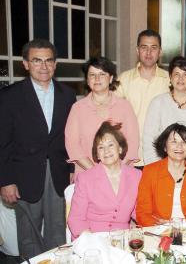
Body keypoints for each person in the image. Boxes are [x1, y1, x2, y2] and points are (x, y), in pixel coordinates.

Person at [0, 39, 76, 258]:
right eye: (37, 61)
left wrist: (72, 170)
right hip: (24, 176)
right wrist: (6, 180)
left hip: (59, 173)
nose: (43, 66)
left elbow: (69, 136)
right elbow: (3, 142)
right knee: (28, 235)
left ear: (55, 64)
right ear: (25, 64)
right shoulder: (9, 96)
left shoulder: (67, 95)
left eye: (48, 60)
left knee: (58, 231)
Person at [65, 57, 139, 176]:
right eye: (92, 75)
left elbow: (133, 143)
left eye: (102, 74)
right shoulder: (77, 108)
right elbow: (72, 145)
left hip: (122, 175)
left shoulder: (125, 106)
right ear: (87, 80)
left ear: (110, 78)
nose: (97, 79)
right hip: (87, 174)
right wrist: (97, 172)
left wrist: (116, 171)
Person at [68, 122, 142, 239]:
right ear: (97, 154)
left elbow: (140, 212)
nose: (106, 151)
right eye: (101, 147)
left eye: (111, 145)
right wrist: (94, 242)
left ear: (120, 149)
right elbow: (75, 219)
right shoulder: (85, 179)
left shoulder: (136, 176)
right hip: (92, 240)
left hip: (122, 240)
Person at [136, 123, 186, 226]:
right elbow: (142, 213)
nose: (179, 146)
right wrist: (162, 228)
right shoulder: (150, 172)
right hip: (157, 232)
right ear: (165, 147)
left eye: (184, 142)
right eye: (174, 141)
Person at [115, 29, 170, 167]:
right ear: (137, 50)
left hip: (161, 156)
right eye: (144, 47)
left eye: (154, 48)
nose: (149, 52)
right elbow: (112, 115)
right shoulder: (123, 80)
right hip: (130, 158)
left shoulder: (170, 81)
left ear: (160, 52)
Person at [142, 56, 186, 164]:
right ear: (170, 77)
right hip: (162, 168)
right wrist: (156, 168)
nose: (180, 78)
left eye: (185, 74)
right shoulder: (158, 103)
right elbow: (149, 140)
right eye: (176, 74)